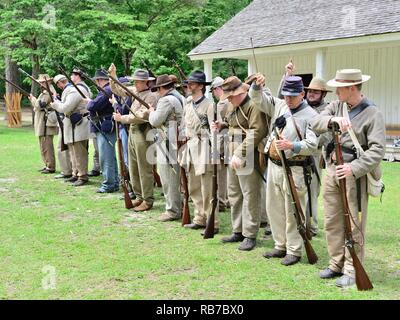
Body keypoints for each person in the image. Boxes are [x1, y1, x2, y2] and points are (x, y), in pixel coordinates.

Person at [310, 69, 386, 287]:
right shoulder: (337, 106)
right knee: (332, 220)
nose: (336, 91)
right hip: (333, 169)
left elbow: (377, 150)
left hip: (354, 174)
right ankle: (336, 263)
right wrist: (333, 119)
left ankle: (352, 269)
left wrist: (354, 168)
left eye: (340, 87)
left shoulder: (372, 113)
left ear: (352, 88)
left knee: (353, 223)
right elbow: (316, 122)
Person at [250, 74, 318, 265]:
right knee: (274, 208)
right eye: (286, 95)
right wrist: (256, 86)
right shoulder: (280, 105)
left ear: (302, 94)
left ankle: (294, 250)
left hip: (295, 168)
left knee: (293, 211)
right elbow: (258, 99)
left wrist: (293, 146)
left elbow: (313, 144)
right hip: (274, 165)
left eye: (293, 95)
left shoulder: (312, 116)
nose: (288, 99)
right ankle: (280, 245)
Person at [212, 76, 268, 251]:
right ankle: (238, 230)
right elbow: (232, 122)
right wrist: (221, 125)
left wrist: (240, 153)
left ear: (241, 92)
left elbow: (257, 131)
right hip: (233, 153)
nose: (228, 99)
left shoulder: (253, 106)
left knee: (250, 194)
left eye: (231, 95)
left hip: (247, 154)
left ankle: (250, 234)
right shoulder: (233, 105)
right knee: (234, 193)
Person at [110, 65, 158, 212]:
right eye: (135, 81)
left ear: (146, 82)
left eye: (138, 81)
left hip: (144, 133)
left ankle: (147, 199)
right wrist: (113, 75)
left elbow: (141, 116)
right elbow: (117, 89)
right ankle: (139, 196)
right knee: (133, 166)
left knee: (144, 168)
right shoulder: (136, 92)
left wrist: (121, 118)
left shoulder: (151, 96)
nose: (136, 83)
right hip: (133, 132)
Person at [179, 70, 219, 234]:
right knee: (194, 185)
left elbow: (214, 130)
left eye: (193, 83)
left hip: (204, 146)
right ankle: (199, 218)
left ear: (201, 86)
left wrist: (215, 153)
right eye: (189, 83)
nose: (189, 86)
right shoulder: (188, 104)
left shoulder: (209, 105)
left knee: (207, 187)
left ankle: (212, 222)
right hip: (191, 146)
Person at [148, 74, 185, 222]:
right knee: (175, 176)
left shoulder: (165, 100)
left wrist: (151, 112)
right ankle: (178, 206)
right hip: (177, 139)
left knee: (168, 177)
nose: (157, 91)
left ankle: (172, 210)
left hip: (169, 141)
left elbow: (156, 121)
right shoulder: (180, 97)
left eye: (158, 88)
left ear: (163, 87)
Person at [50, 74, 91, 186]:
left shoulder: (75, 90)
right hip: (72, 124)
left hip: (78, 123)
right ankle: (75, 173)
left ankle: (82, 176)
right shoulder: (73, 90)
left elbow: (65, 108)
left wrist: (55, 104)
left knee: (79, 152)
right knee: (73, 151)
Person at [86, 69, 119, 193]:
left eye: (97, 80)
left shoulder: (107, 90)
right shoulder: (106, 90)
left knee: (106, 158)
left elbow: (92, 106)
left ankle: (109, 184)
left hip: (105, 126)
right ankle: (114, 182)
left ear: (101, 80)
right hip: (104, 125)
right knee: (109, 157)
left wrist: (89, 102)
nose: (97, 83)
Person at [70, 68, 100, 178]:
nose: (71, 77)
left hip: (81, 121)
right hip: (83, 120)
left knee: (81, 150)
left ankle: (82, 173)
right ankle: (79, 172)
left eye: (73, 75)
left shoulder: (80, 88)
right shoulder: (83, 87)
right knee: (80, 149)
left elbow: (69, 106)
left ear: (78, 76)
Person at [28, 74, 59, 174]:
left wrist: (33, 99)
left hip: (46, 122)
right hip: (43, 121)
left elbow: (40, 105)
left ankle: (50, 166)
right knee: (43, 145)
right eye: (40, 82)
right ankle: (47, 164)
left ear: (48, 82)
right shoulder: (46, 91)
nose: (41, 84)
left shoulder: (48, 92)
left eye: (42, 82)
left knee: (47, 145)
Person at [209, 76, 231, 212]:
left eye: (213, 90)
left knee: (221, 174)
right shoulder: (229, 102)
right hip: (230, 142)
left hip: (224, 143)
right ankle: (226, 200)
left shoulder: (222, 104)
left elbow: (219, 128)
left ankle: (222, 201)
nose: (213, 94)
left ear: (218, 89)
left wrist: (217, 149)